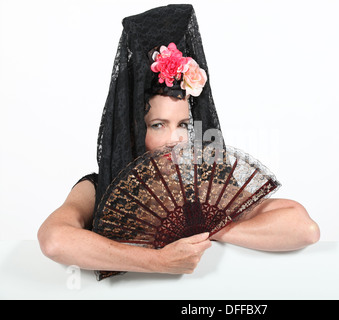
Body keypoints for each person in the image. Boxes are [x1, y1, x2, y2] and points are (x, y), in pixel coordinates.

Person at [37, 5, 319, 276]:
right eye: (158, 125)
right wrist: (158, 260)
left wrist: (208, 227)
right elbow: (54, 240)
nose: (175, 140)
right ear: (134, 129)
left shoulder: (205, 185)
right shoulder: (99, 187)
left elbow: (303, 228)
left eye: (183, 124)